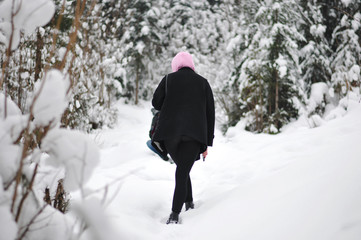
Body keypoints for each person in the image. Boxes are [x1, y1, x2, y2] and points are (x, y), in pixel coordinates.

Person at [152, 52, 215, 224]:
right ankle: (180, 209)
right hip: (194, 135)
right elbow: (210, 114)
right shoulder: (203, 83)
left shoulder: (168, 79)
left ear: (175, 65)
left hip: (170, 134)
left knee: (181, 170)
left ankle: (182, 208)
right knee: (182, 170)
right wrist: (206, 143)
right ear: (191, 65)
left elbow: (156, 103)